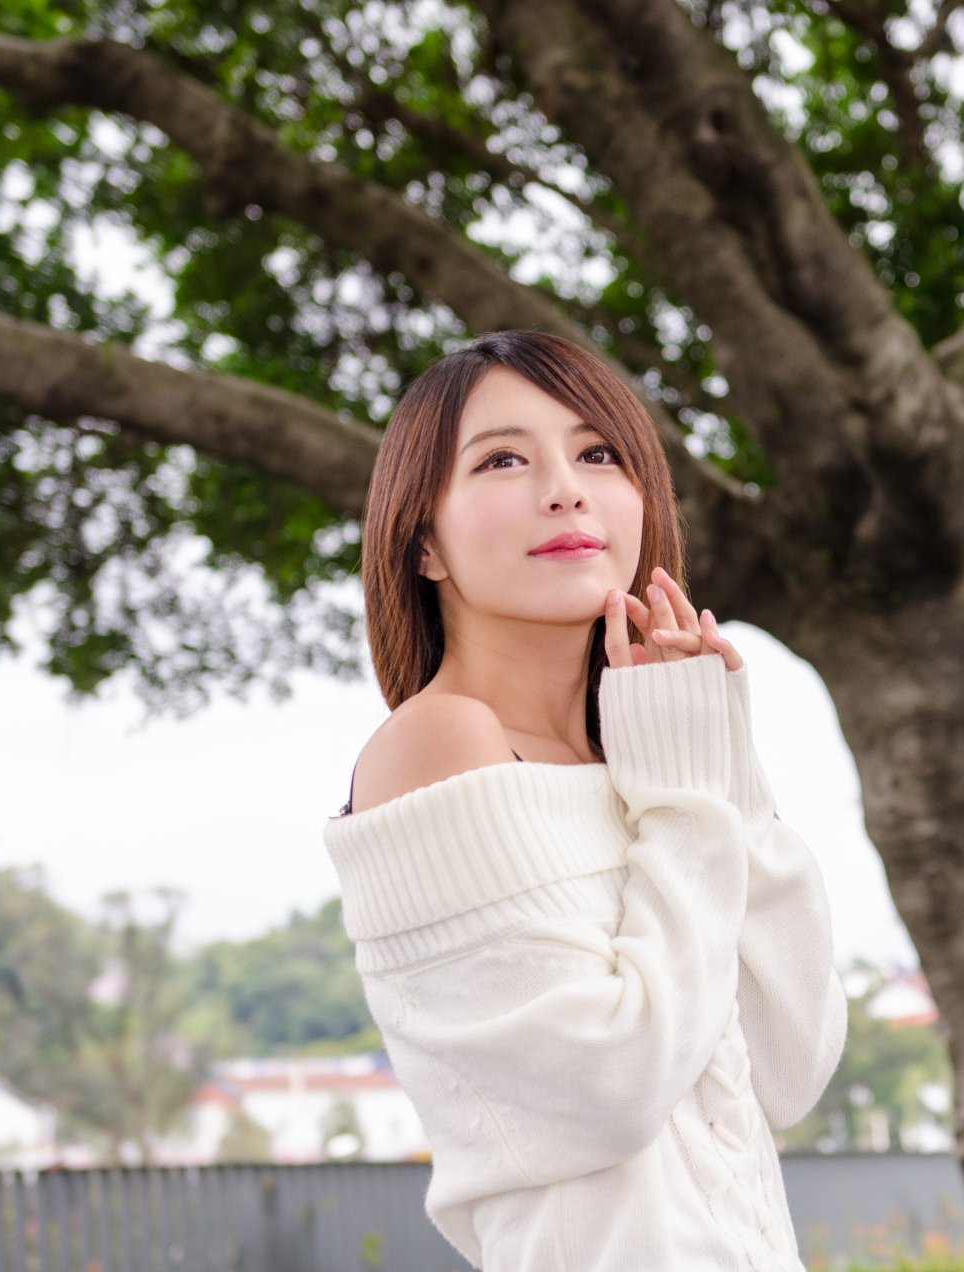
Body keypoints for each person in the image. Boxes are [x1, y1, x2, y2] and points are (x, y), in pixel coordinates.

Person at [322, 330, 847, 1271]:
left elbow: (789, 1062)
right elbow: (610, 1087)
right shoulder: (440, 744)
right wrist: (688, 795)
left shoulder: (651, 769)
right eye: (502, 460)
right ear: (425, 541)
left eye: (598, 453)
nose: (563, 487)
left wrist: (716, 757)